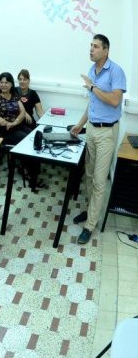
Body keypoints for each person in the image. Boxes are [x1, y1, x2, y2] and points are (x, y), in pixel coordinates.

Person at [70, 34, 126, 245]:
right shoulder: (92, 70)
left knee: (100, 180)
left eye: (95, 46)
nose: (91, 49)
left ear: (106, 50)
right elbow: (93, 103)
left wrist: (93, 87)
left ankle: (90, 225)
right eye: (90, 46)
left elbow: (114, 100)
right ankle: (90, 211)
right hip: (92, 129)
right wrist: (80, 124)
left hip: (107, 132)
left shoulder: (116, 71)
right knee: (89, 174)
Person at [0, 72, 41, 191]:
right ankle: (32, 178)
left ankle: (33, 173)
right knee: (28, 143)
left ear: (11, 84)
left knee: (35, 138)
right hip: (6, 132)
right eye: (1, 82)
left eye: (6, 82)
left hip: (17, 126)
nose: (3, 85)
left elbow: (22, 112)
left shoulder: (14, 94)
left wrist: (15, 122)